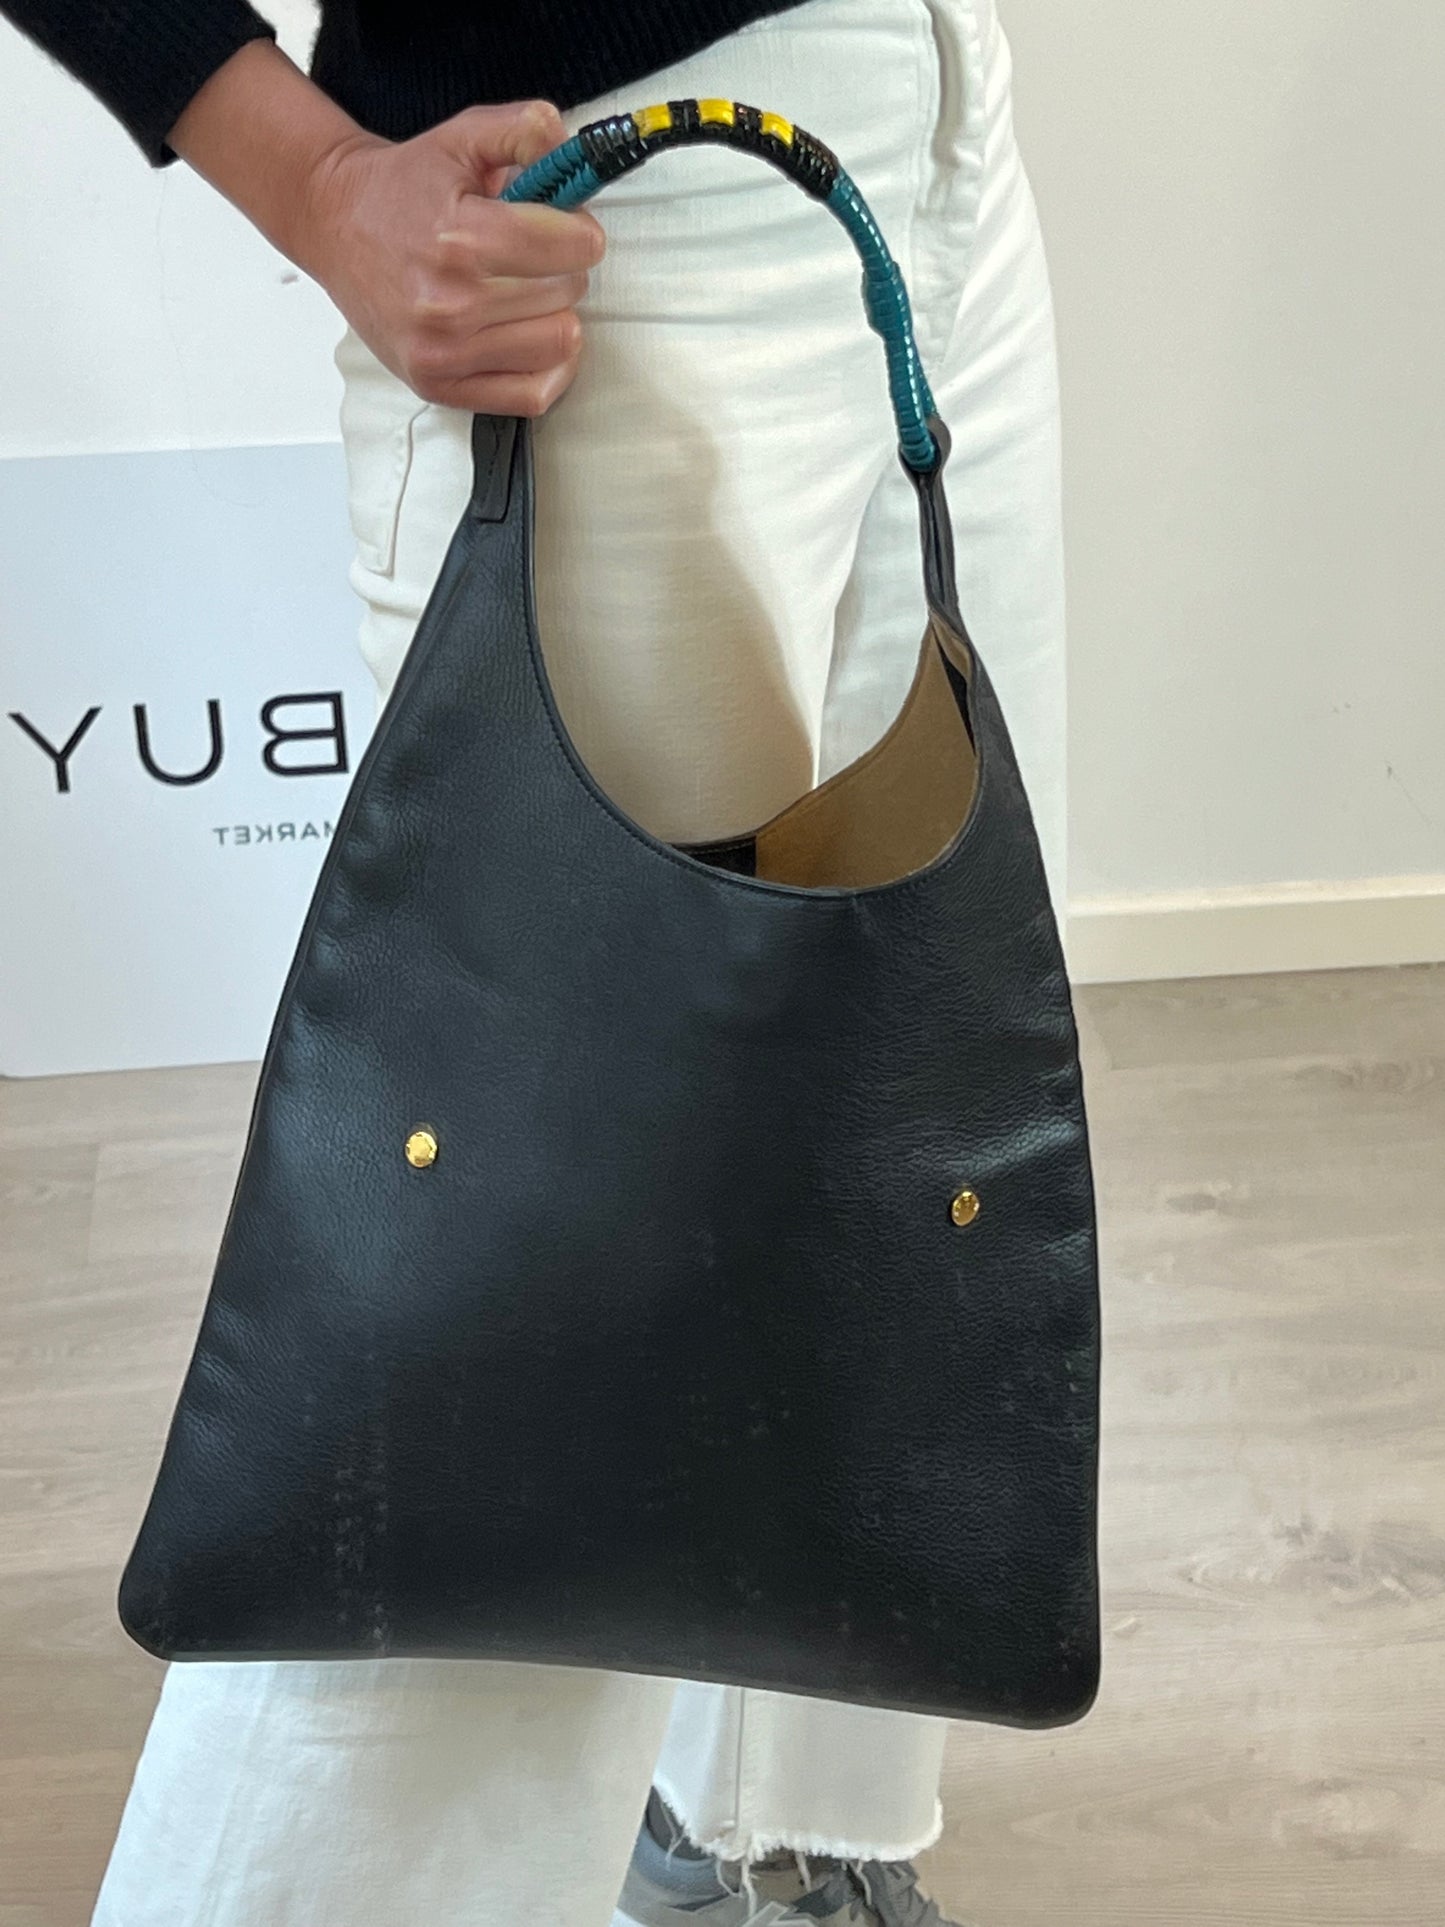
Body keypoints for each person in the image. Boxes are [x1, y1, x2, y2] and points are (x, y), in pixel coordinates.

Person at [2, 0, 1067, 1921]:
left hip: (935, 113)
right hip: (600, 198)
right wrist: (319, 179)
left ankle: (747, 1838)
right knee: (495, 1334)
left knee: (887, 1091)